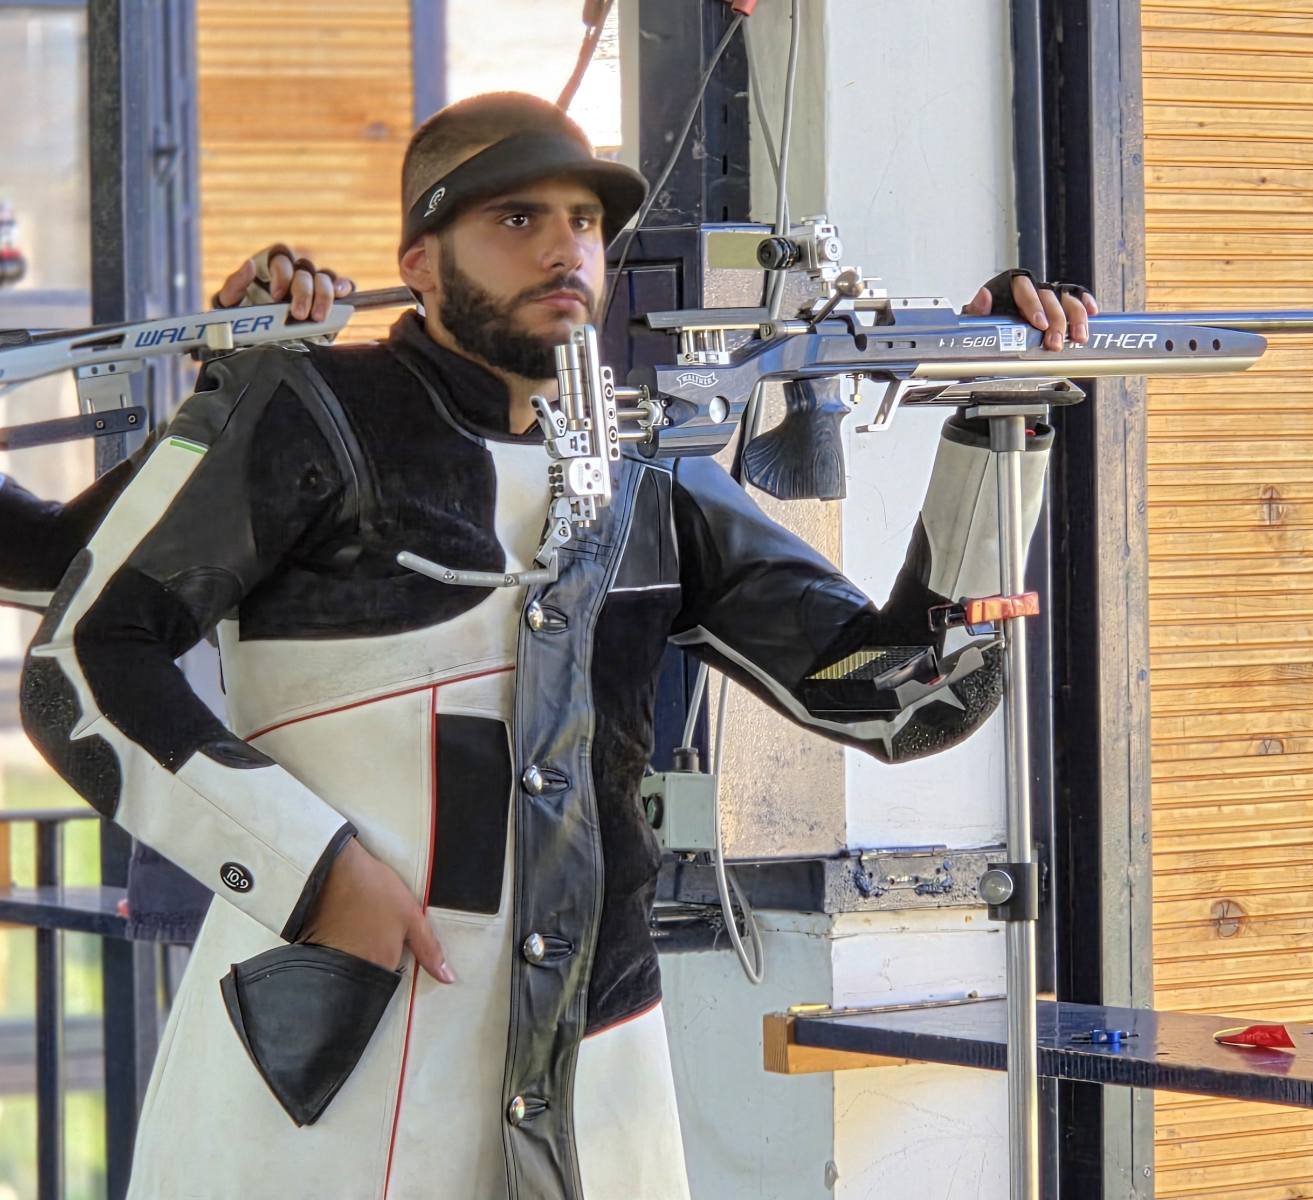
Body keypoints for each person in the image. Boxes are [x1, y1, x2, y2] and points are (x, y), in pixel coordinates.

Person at [19, 91, 1091, 1199]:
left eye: (584, 220)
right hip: (337, 1062)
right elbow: (82, 666)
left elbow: (910, 699)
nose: (564, 248)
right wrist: (317, 876)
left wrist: (998, 425)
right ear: (420, 263)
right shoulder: (308, 409)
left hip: (598, 1076)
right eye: (516, 218)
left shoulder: (650, 477)